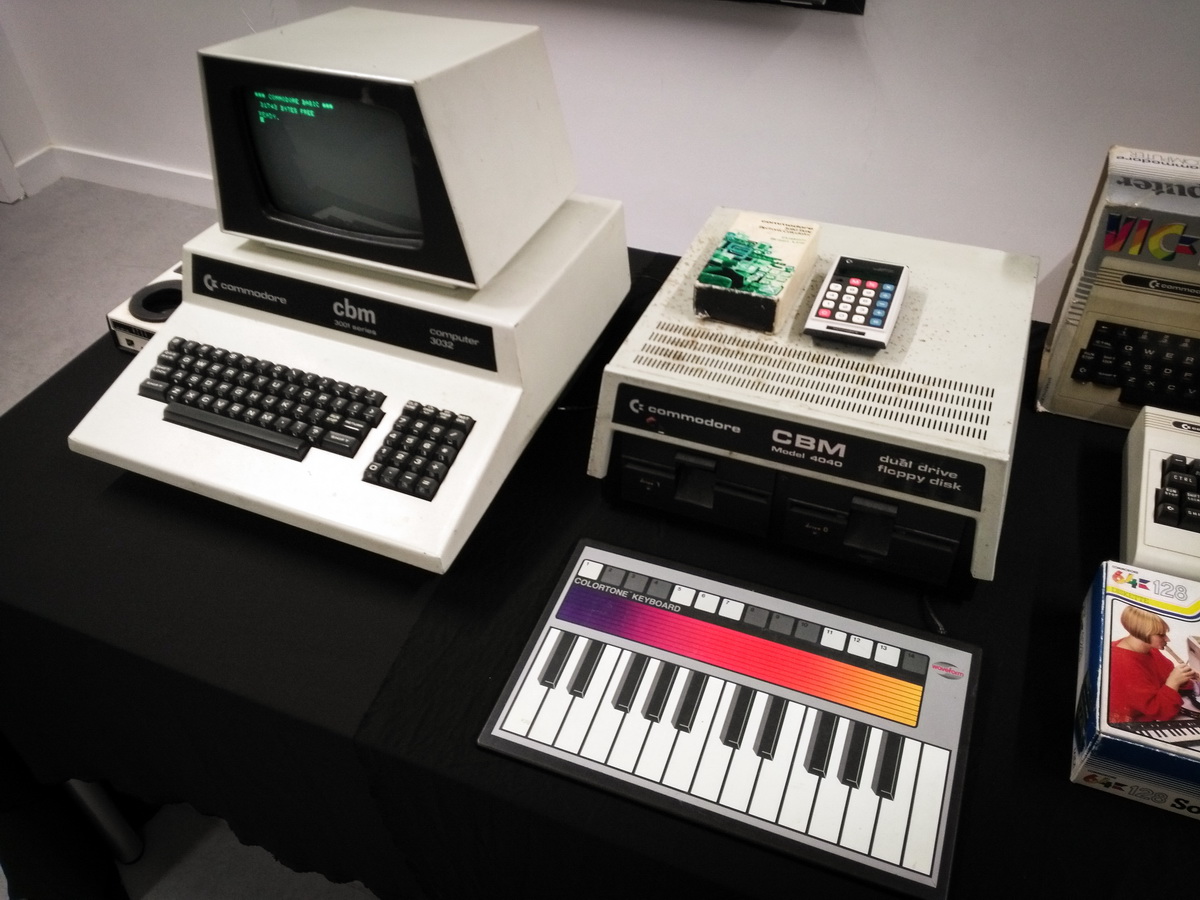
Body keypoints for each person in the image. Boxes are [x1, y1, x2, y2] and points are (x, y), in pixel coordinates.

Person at [1109, 605, 1197, 723]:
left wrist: (1186, 677)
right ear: (1142, 633)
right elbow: (1160, 712)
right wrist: (1174, 682)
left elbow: (1167, 675)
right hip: (1137, 722)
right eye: (1161, 635)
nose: (1167, 639)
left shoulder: (1149, 649)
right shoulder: (1122, 664)